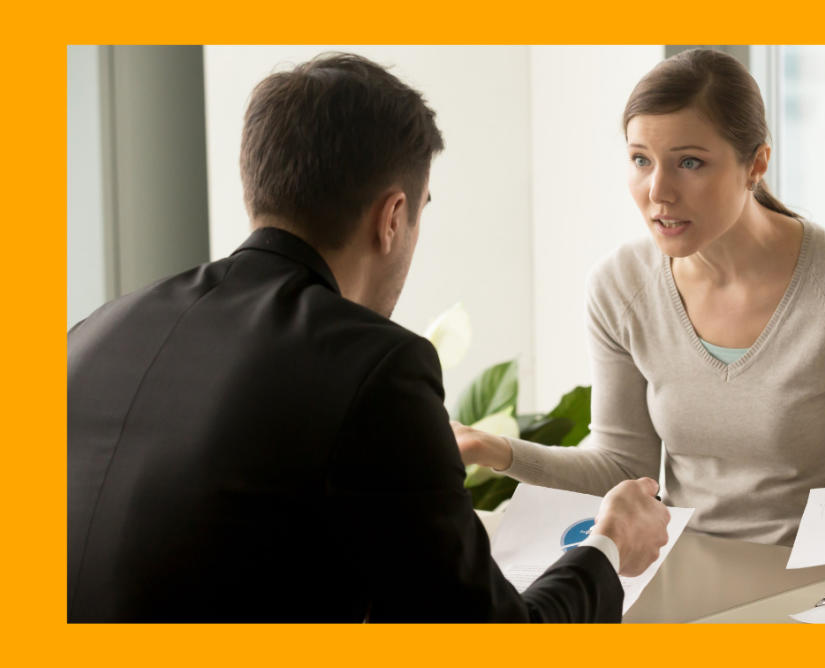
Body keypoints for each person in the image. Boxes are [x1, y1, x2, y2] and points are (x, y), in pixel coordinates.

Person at [67, 52, 669, 623]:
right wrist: (608, 549)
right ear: (391, 218)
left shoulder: (92, 332)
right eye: (420, 213)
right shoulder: (376, 365)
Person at [454, 48, 825, 546]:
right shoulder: (620, 287)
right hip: (679, 573)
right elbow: (622, 466)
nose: (658, 192)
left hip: (816, 590)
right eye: (640, 160)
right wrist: (492, 450)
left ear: (756, 164)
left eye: (690, 162)